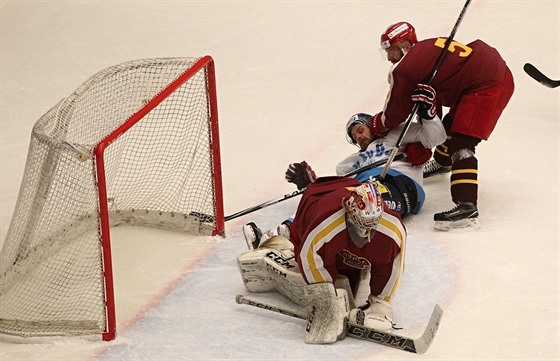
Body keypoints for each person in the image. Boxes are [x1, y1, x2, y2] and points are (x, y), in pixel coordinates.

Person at [373, 21, 515, 230]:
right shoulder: (426, 53)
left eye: (391, 51)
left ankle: (466, 207)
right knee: (449, 127)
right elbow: (432, 107)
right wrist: (427, 142)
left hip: (487, 85)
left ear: (404, 46)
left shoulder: (407, 67)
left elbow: (395, 112)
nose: (389, 58)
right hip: (487, 77)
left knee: (461, 143)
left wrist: (376, 125)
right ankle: (443, 162)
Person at [236, 180, 406, 344]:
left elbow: (392, 266)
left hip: (342, 197)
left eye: (371, 225)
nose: (366, 232)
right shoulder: (325, 222)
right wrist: (326, 296)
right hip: (315, 204)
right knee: (304, 264)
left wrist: (381, 302)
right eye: (362, 225)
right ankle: (270, 240)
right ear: (349, 211)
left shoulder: (393, 230)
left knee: (349, 282)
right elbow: (308, 256)